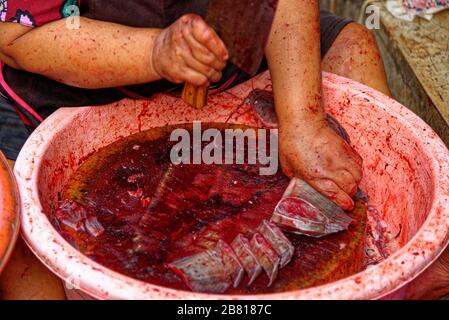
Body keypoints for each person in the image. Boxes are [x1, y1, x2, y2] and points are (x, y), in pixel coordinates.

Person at [0, 0, 441, 300]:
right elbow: (20, 41)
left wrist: (303, 121)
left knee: (353, 50)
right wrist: (154, 52)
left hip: (229, 55)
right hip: (75, 84)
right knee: (18, 233)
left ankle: (395, 276)